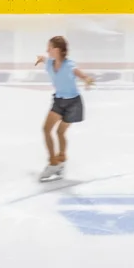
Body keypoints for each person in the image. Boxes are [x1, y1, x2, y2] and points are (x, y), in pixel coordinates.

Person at [35, 35, 95, 182]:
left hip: (73, 103)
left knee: (60, 132)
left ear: (57, 50)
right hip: (59, 101)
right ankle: (54, 162)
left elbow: (78, 73)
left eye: (49, 47)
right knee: (47, 129)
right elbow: (44, 58)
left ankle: (60, 160)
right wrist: (40, 58)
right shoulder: (50, 63)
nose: (47, 50)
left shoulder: (69, 65)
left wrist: (86, 79)